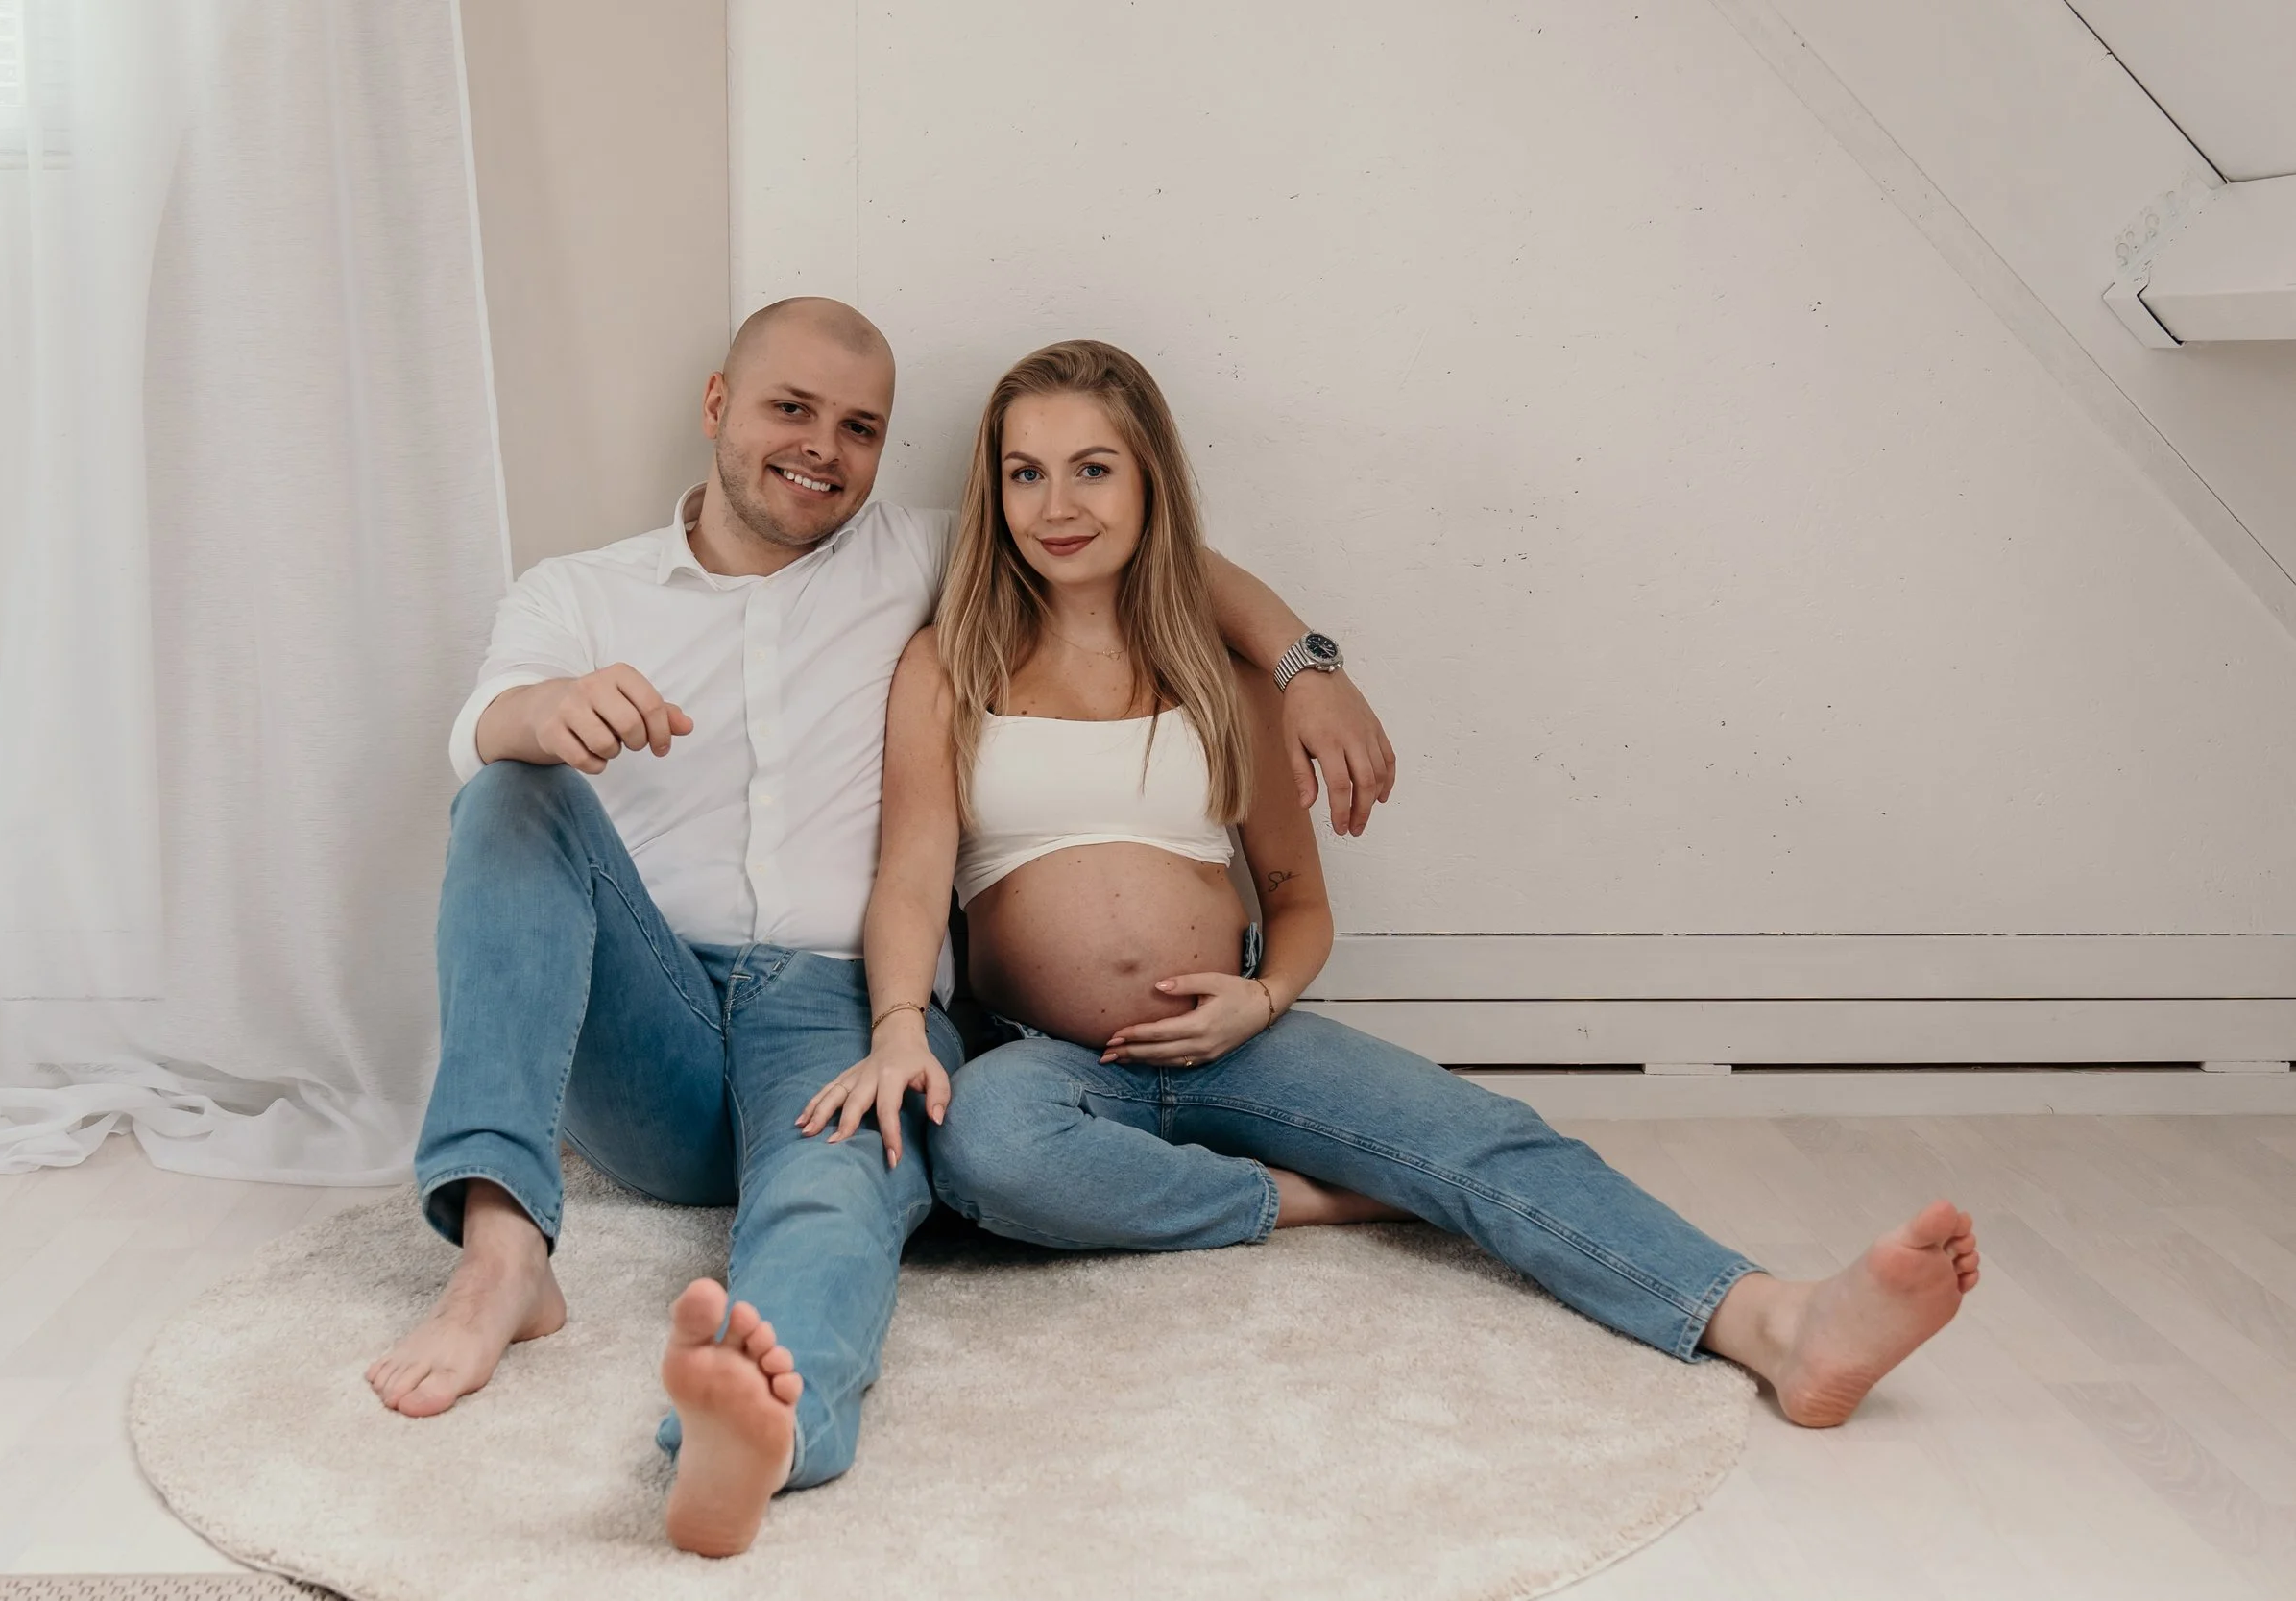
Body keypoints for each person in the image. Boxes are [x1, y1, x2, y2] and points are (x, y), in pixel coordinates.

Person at [363, 301, 1398, 1556]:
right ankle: (500, 1253)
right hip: (650, 1025)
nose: (823, 448)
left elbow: (1156, 557)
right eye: (789, 408)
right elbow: (476, 729)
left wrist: (1307, 662)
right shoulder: (579, 591)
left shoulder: (933, 559)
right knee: (509, 795)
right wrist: (548, 707)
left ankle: (762, 1431)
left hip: (838, 1009)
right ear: (716, 407)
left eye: (860, 427)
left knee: (840, 1180)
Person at [805, 338, 1983, 1431]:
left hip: (1237, 1039)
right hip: (1052, 1060)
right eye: (1024, 474)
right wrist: (900, 1023)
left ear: (1150, 480)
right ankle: (1314, 1197)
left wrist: (1258, 1004)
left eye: (1092, 469)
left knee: (1482, 1135)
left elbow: (1297, 899)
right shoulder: (949, 665)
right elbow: (910, 875)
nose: (1056, 506)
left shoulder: (1228, 681)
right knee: (985, 1154)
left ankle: (1774, 1320)